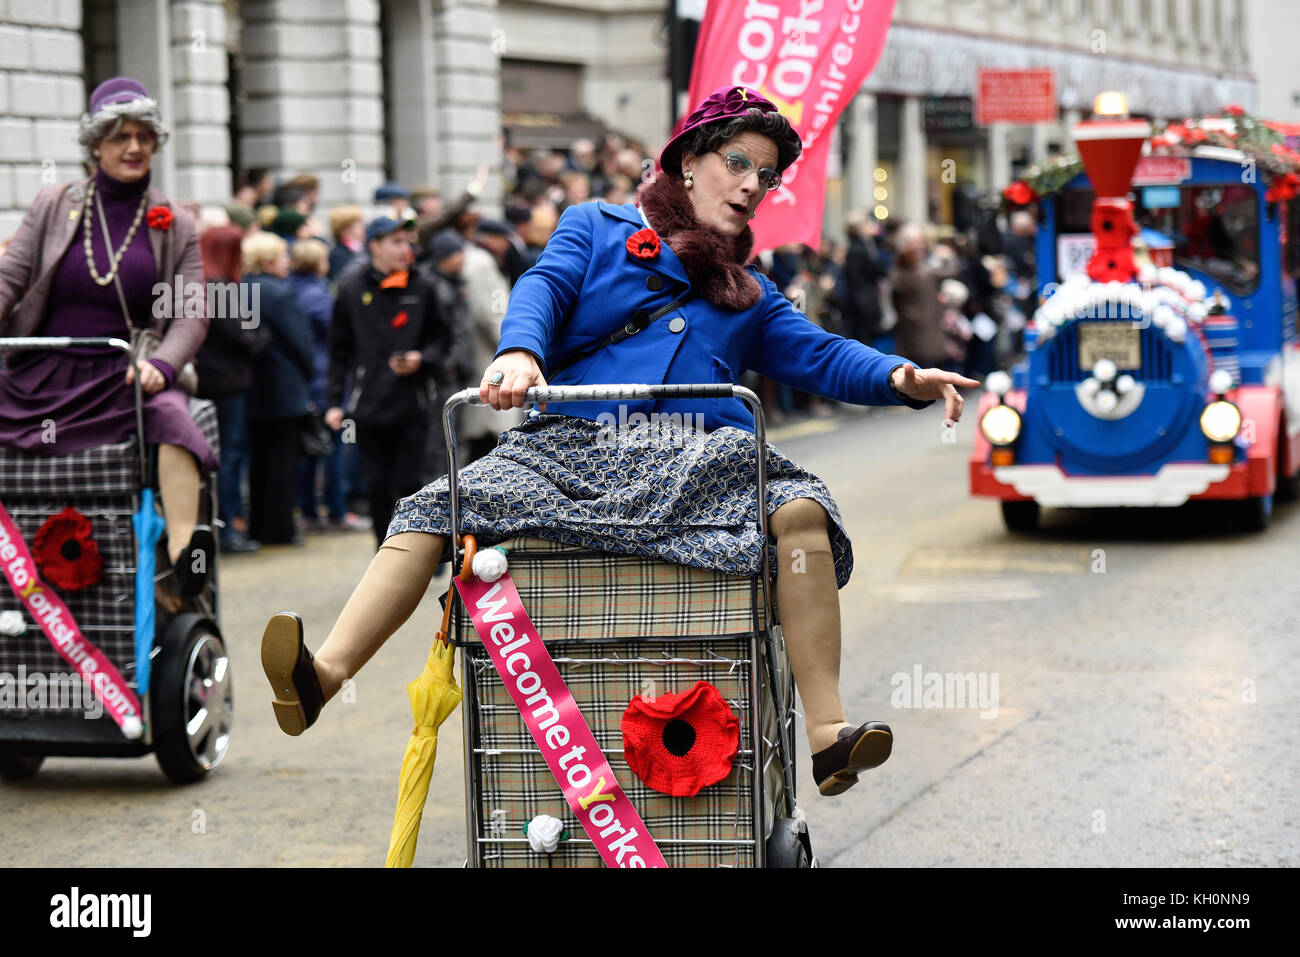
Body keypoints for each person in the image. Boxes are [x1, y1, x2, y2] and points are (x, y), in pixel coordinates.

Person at [260, 86, 976, 798]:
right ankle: (322, 676)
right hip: (569, 446)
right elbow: (543, 286)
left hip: (700, 460)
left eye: (767, 175)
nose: (753, 185)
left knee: (802, 509)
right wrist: (520, 352)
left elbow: (823, 354)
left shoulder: (749, 293)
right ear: (689, 162)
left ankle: (827, 734)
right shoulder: (596, 225)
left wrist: (901, 375)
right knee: (433, 507)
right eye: (738, 162)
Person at [0, 76, 218, 596]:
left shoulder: (176, 223)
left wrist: (162, 366)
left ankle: (184, 552)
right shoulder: (54, 202)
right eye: (120, 136)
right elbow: (9, 278)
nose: (134, 147)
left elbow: (191, 312)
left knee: (172, 417)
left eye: (144, 136)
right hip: (44, 369)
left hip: (127, 372)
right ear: (95, 144)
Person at [323, 216, 457, 545]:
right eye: (396, 242)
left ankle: (415, 552)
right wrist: (333, 402)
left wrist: (421, 359)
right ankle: (383, 554)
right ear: (375, 246)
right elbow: (338, 351)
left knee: (410, 483)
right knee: (377, 487)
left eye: (407, 242)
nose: (404, 249)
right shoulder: (351, 288)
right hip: (368, 406)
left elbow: (444, 339)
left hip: (414, 403)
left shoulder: (423, 286)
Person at [194, 223, 268, 554]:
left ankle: (220, 524)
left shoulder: (196, 286)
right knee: (227, 456)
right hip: (226, 384)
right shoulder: (218, 288)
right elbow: (242, 338)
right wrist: (264, 336)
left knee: (214, 456)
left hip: (206, 382)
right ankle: (226, 527)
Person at [242, 232, 315, 546]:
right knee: (283, 462)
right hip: (284, 385)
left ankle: (257, 527)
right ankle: (280, 529)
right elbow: (299, 341)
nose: (288, 262)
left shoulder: (239, 288)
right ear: (267, 261)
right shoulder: (279, 292)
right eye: (283, 256)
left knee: (258, 461)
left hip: (251, 387)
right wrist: (309, 371)